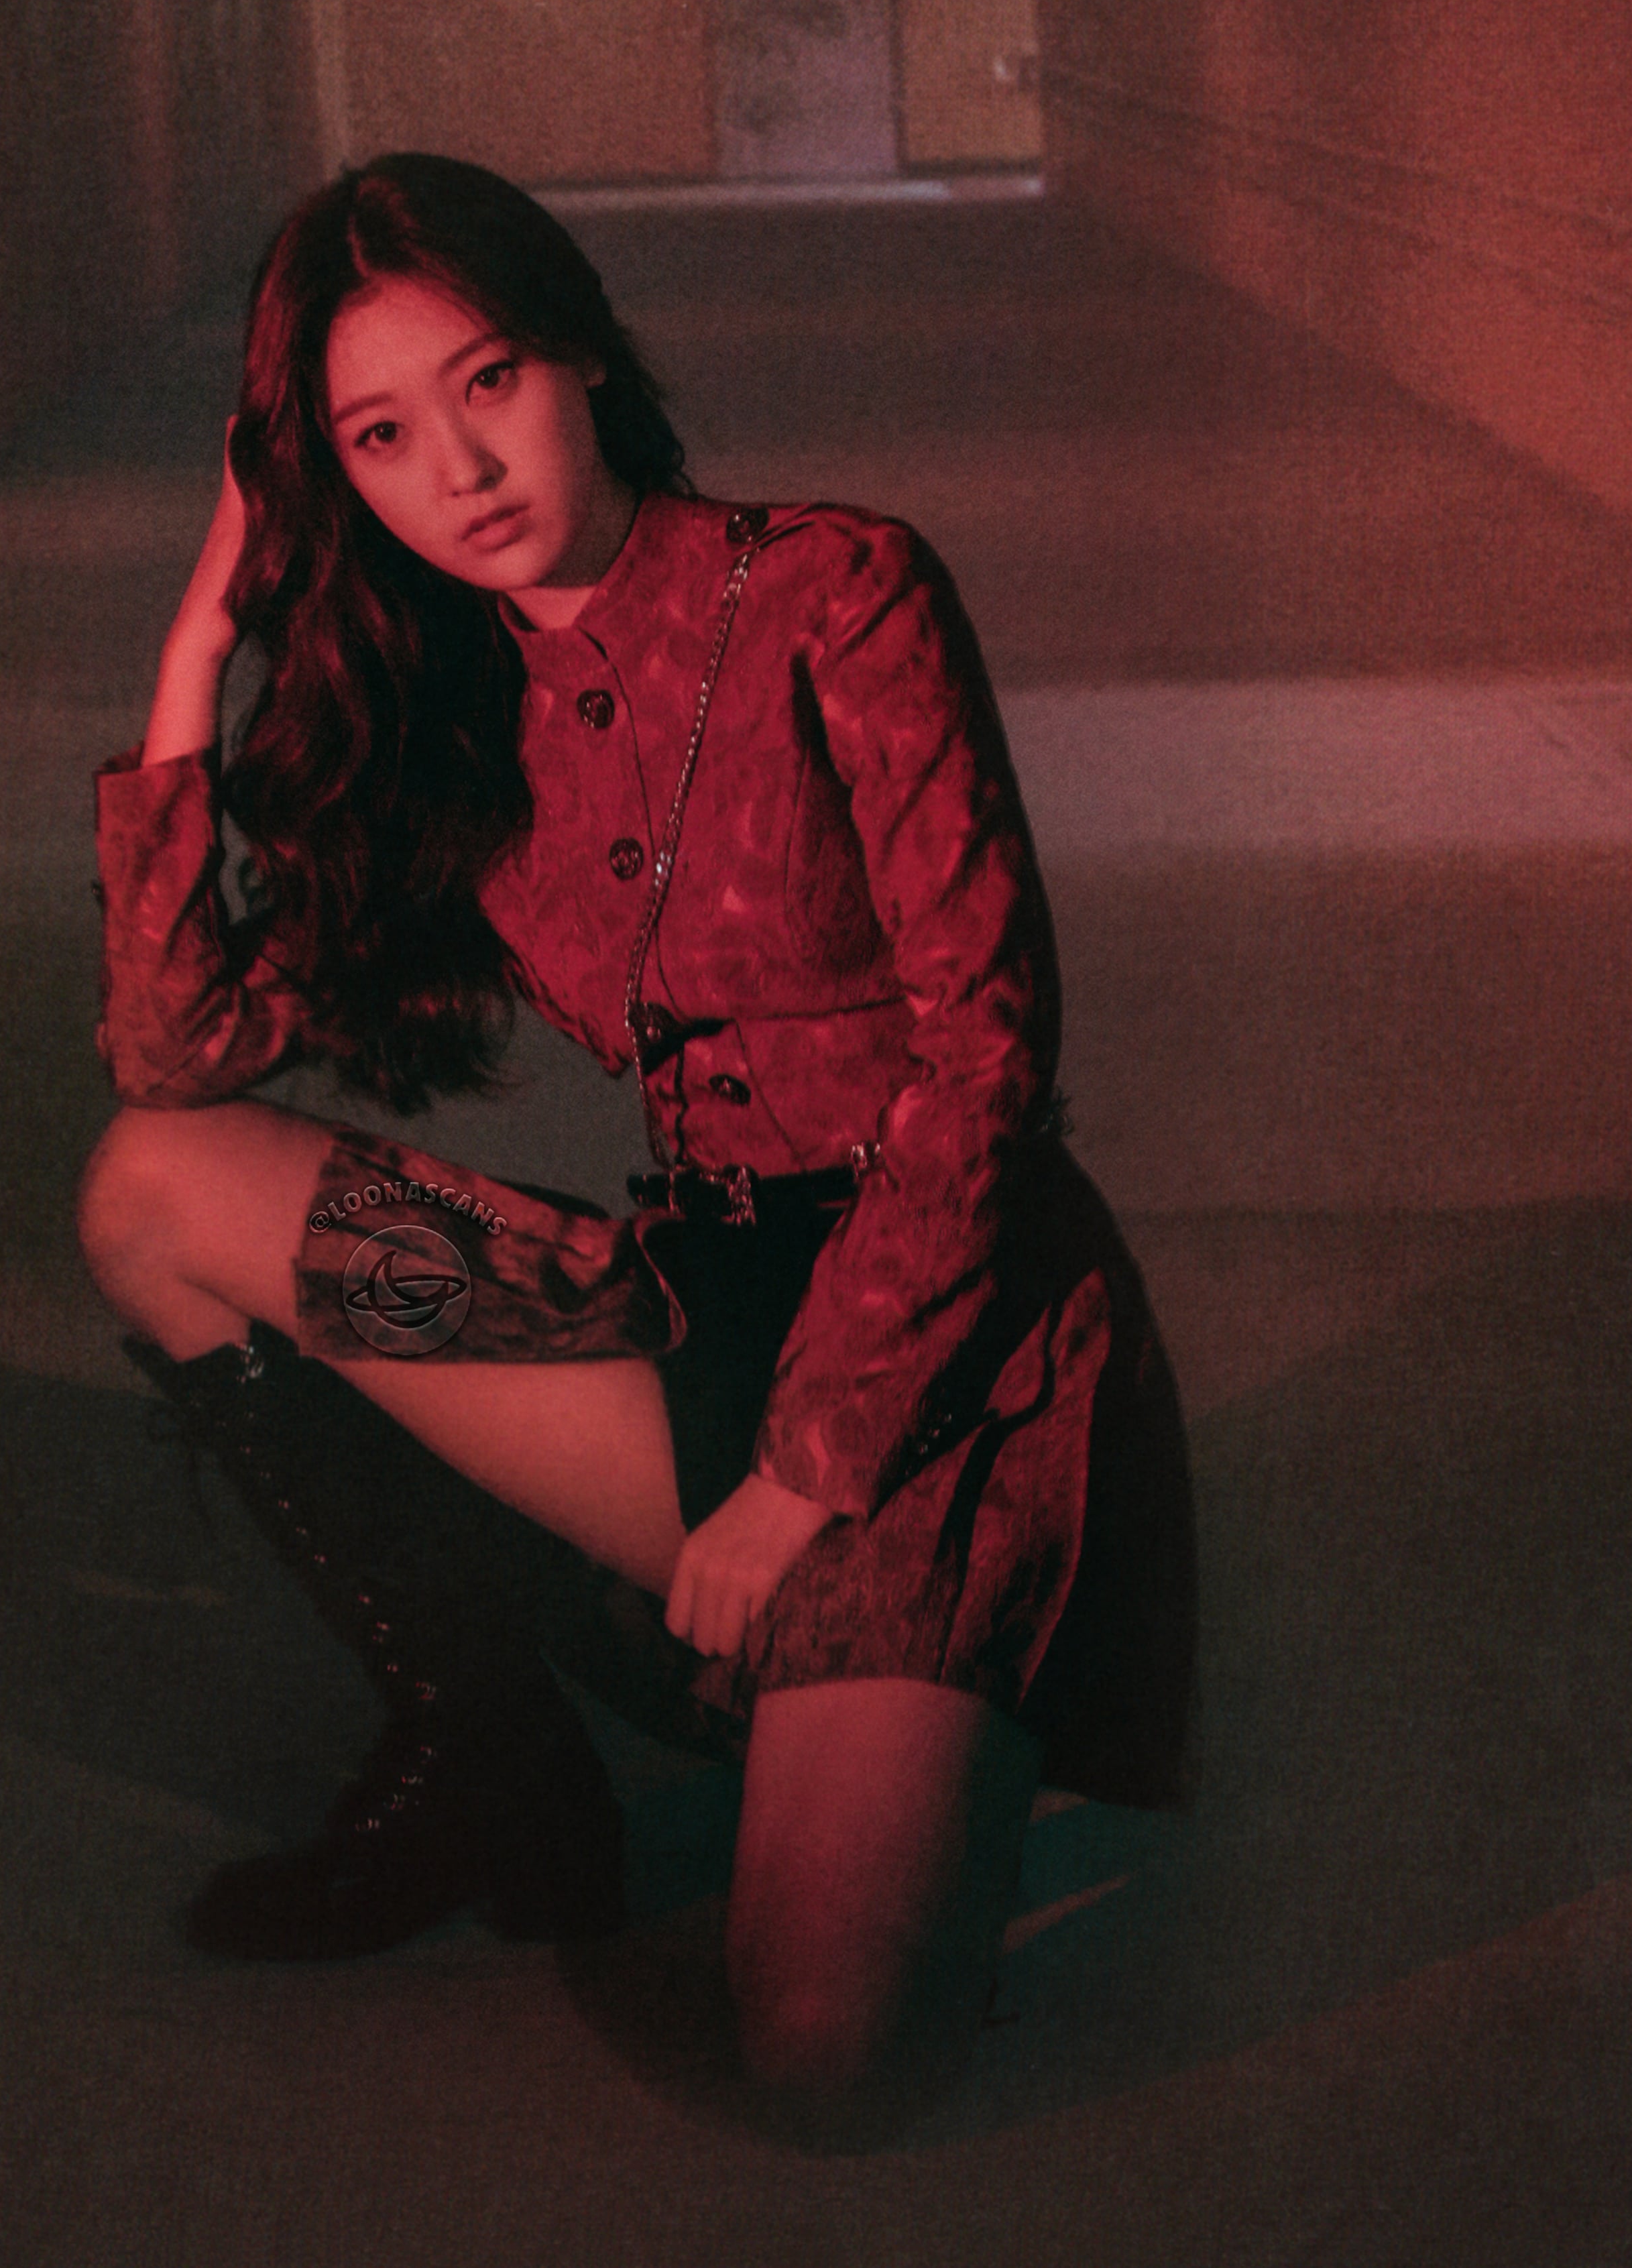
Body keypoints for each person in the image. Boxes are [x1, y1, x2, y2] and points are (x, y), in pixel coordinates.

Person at [78, 153, 1196, 2120]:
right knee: (153, 1191)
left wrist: (797, 1480)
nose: (461, 470)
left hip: (951, 1355)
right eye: (380, 438)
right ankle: (489, 1755)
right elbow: (178, 1051)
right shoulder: (447, 717)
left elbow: (988, 1061)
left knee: (823, 2054)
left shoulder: (839, 589)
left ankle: (932, 1708)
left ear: (582, 349)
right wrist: (199, 643)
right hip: (684, 1306)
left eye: (488, 381)